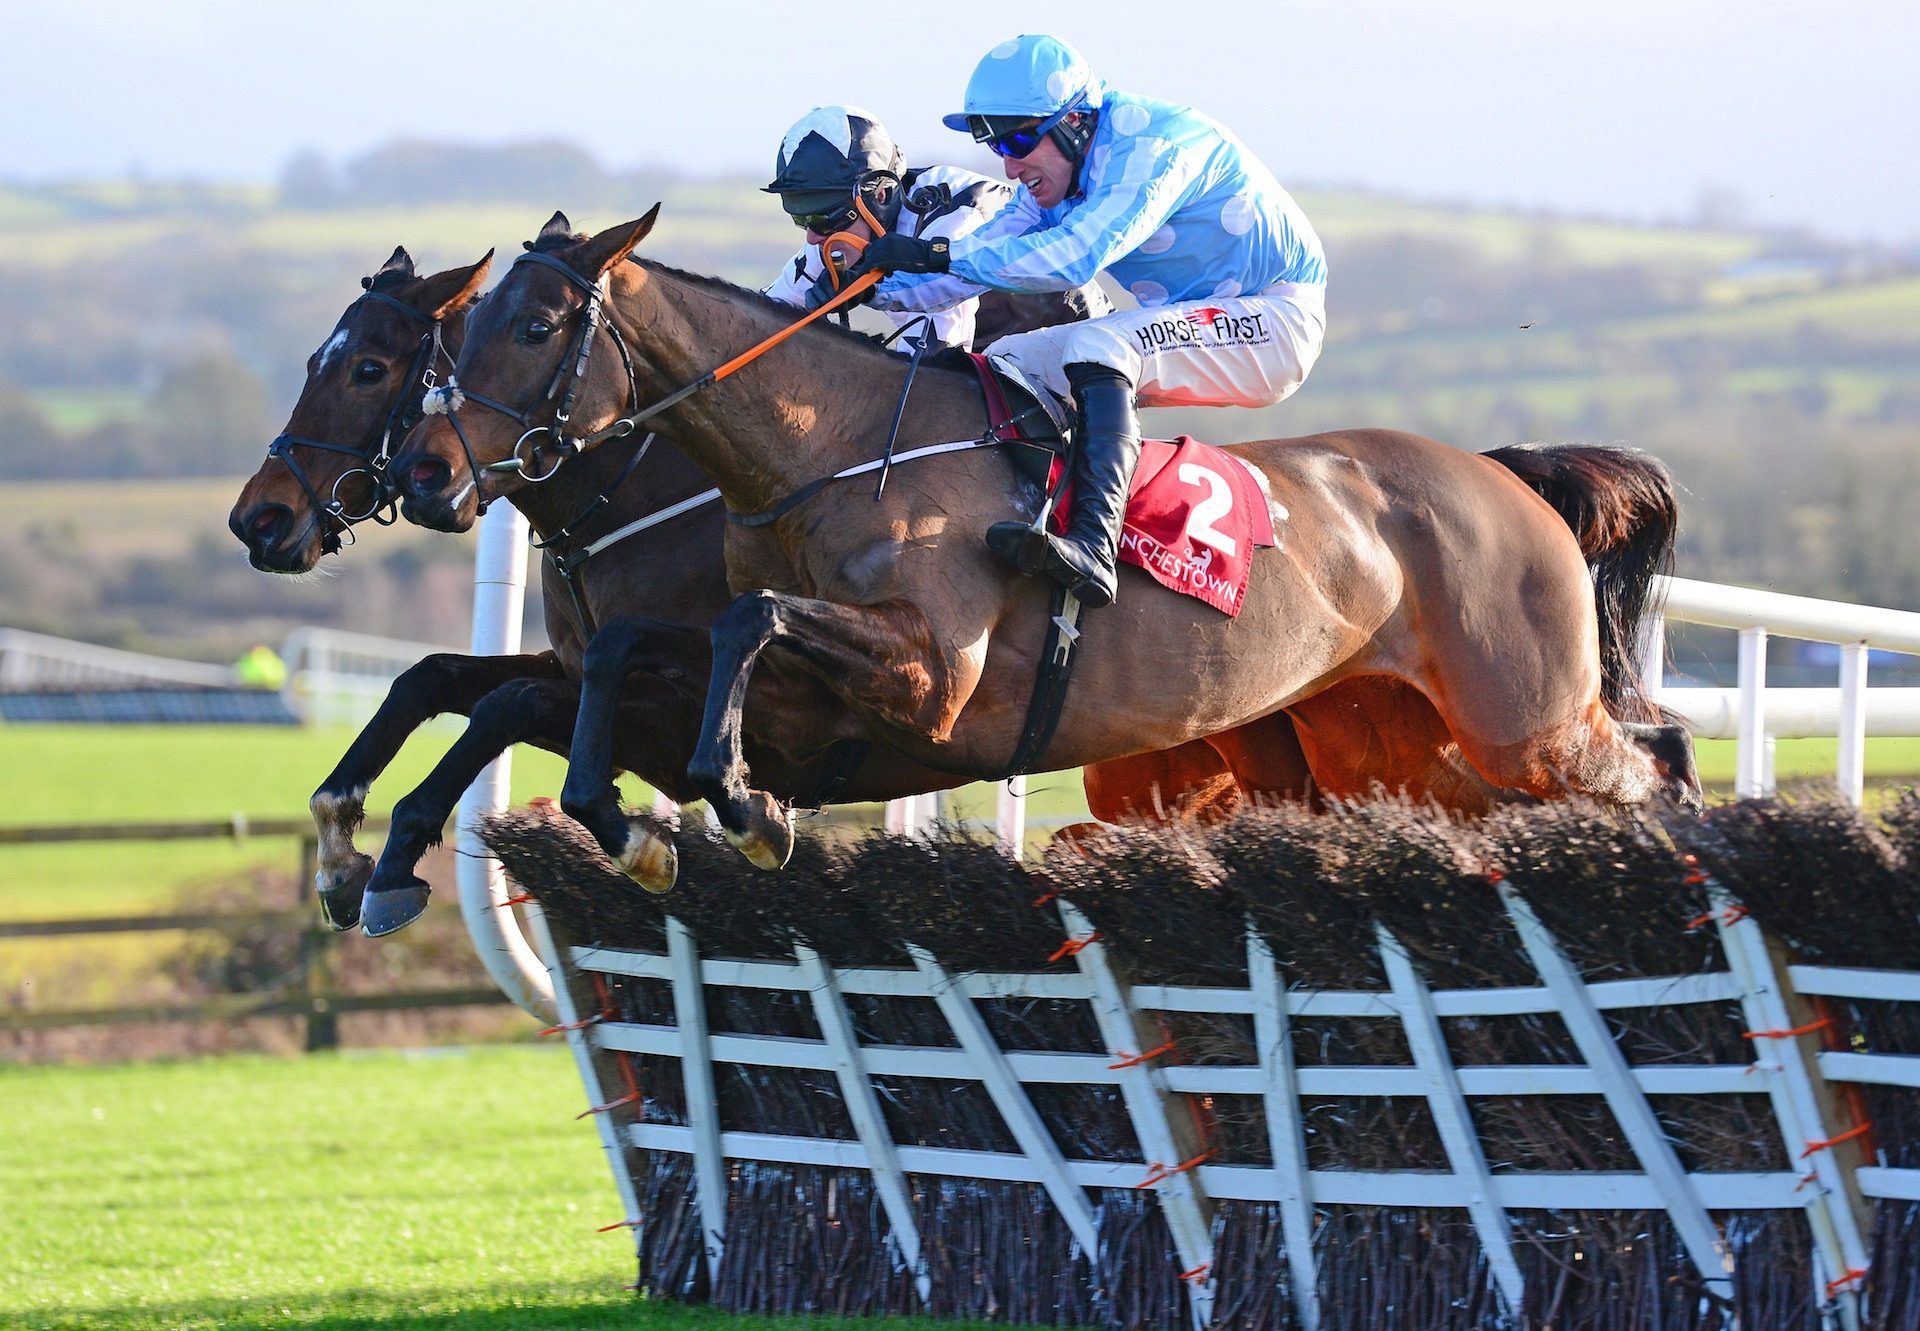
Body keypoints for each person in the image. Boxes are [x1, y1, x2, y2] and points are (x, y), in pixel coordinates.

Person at [853, 34, 1328, 609]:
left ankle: (1094, 548)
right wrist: (874, 290)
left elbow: (1077, 256)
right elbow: (989, 255)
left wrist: (936, 252)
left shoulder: (1154, 146)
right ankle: (1030, 514)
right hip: (1198, 319)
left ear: (1076, 120)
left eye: (1020, 138)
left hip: (1277, 320)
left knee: (1100, 346)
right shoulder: (1058, 177)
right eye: (995, 142)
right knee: (1007, 363)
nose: (1008, 162)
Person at [762, 105, 1045, 351]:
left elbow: (931, 375)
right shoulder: (835, 237)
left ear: (880, 196)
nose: (813, 238)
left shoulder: (953, 221)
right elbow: (762, 319)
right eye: (803, 221)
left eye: (825, 220)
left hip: (1053, 346)